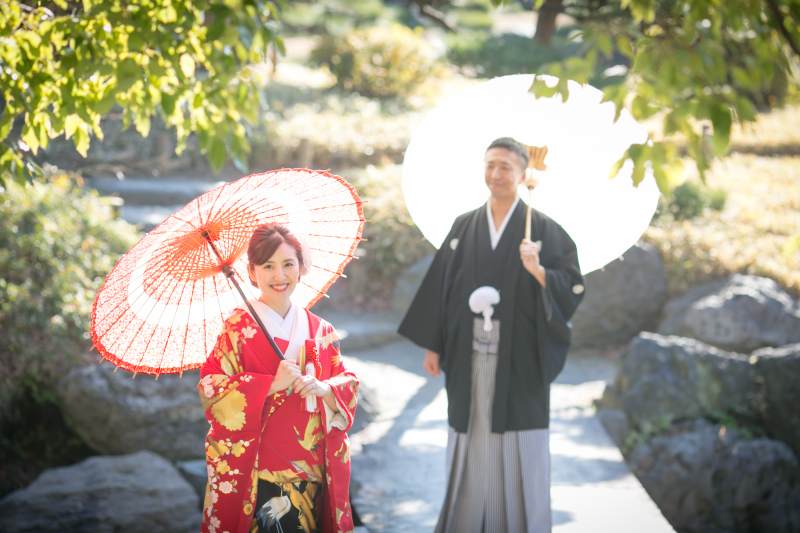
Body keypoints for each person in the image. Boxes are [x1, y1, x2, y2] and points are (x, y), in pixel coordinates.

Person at [398, 137, 585, 533]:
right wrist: (434, 345)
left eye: (505, 167)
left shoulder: (544, 230)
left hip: (520, 357)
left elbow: (572, 286)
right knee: (470, 432)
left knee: (519, 440)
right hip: (467, 352)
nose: (495, 174)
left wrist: (539, 271)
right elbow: (442, 287)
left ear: (523, 173)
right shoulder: (464, 226)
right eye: (490, 165)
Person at [198, 223, 359, 533]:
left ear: (301, 266)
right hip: (258, 474)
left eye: (288, 264)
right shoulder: (237, 328)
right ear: (251, 271)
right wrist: (271, 384)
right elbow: (211, 389)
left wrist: (324, 388)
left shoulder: (321, 330)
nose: (279, 276)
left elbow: (347, 383)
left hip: (312, 475)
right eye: (268, 266)